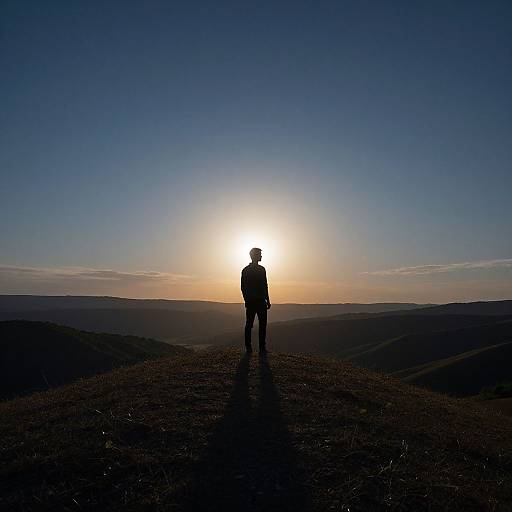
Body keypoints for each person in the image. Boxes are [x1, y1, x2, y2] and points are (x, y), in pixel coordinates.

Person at [241, 247, 271, 353]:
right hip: (258, 301)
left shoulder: (246, 270)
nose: (261, 256)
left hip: (254, 301)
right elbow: (264, 285)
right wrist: (267, 299)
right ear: (255, 256)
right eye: (260, 254)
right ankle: (260, 348)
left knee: (250, 324)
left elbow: (243, 287)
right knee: (259, 325)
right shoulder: (260, 270)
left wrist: (247, 300)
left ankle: (250, 348)